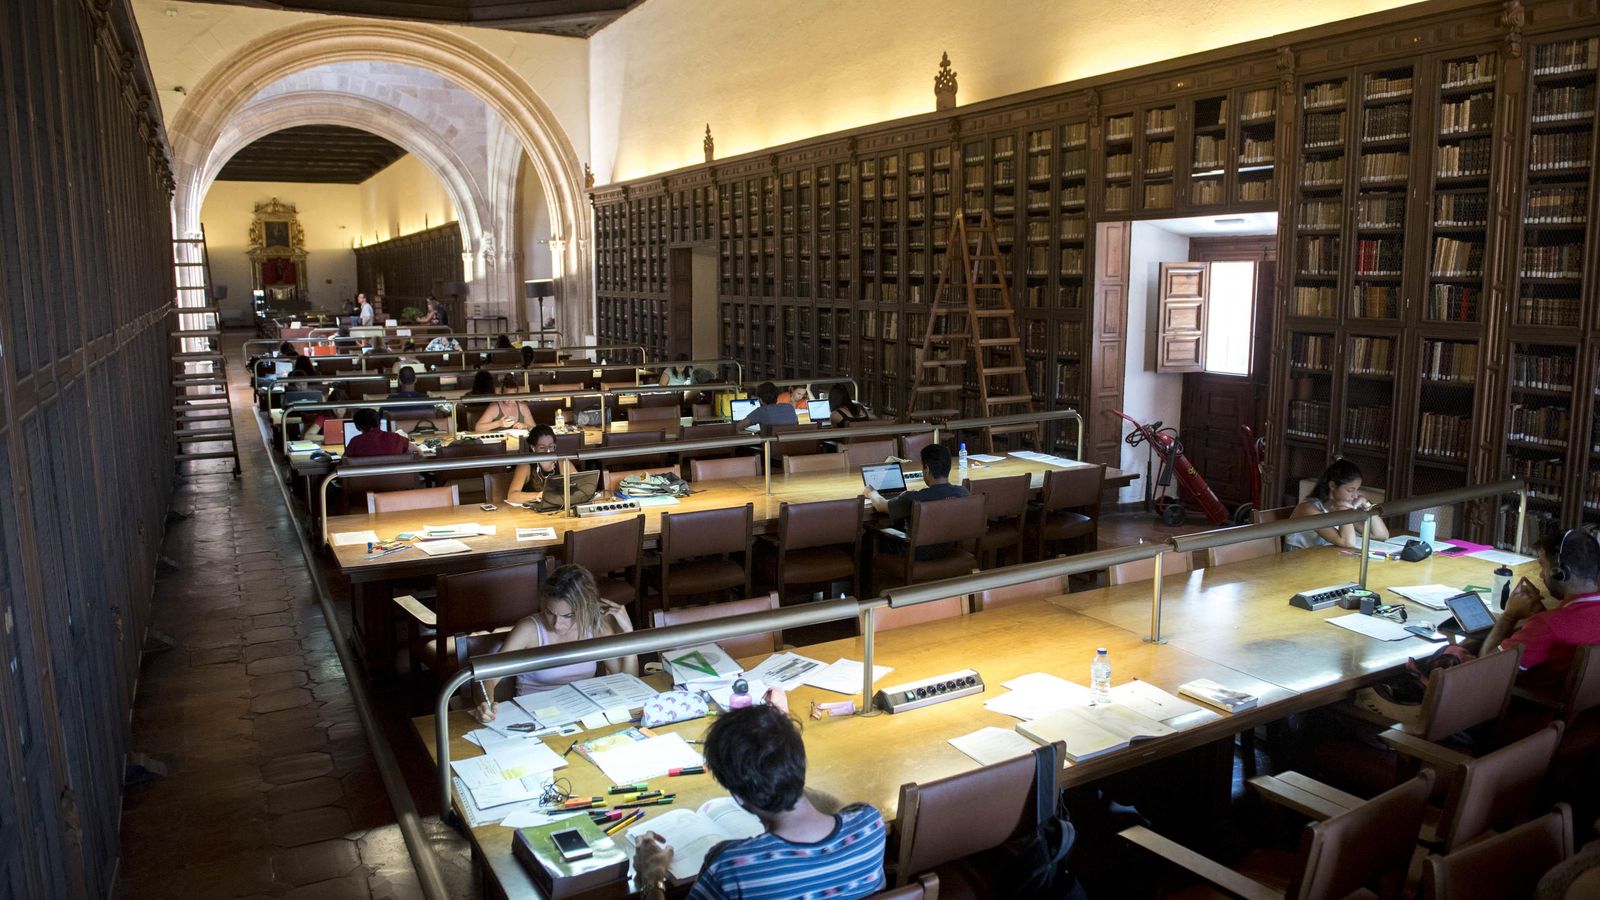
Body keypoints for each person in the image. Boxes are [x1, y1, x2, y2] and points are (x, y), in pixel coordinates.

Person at [632, 703, 887, 900]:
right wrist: (784, 772)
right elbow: (835, 808)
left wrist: (651, 880)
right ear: (800, 758)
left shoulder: (732, 868)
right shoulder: (870, 824)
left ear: (739, 798)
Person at [474, 565, 636, 722]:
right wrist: (485, 704)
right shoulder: (529, 629)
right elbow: (489, 677)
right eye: (550, 613)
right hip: (535, 715)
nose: (557, 624)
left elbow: (627, 682)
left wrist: (628, 633)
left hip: (582, 714)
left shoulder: (596, 628)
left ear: (585, 608)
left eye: (568, 615)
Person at [1483, 527, 1600, 693]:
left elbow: (1486, 669)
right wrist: (1540, 613)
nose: (1540, 576)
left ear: (1560, 573)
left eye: (1542, 566)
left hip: (1531, 711)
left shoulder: (1548, 625)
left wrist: (1509, 616)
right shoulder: (1550, 623)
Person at [1285, 459, 1389, 549]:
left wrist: (1366, 504)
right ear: (1332, 485)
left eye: (1357, 490)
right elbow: (1347, 542)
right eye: (1350, 490)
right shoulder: (1309, 508)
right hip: (1296, 562)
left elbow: (1381, 535)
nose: (1355, 496)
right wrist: (1344, 510)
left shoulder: (1336, 506)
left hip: (1321, 560)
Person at [504, 425, 574, 503]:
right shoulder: (525, 466)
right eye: (542, 447)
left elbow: (581, 485)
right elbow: (512, 496)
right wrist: (538, 495)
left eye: (551, 446)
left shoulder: (562, 462)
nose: (548, 451)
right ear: (533, 448)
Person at [343, 407, 413, 458]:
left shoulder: (355, 442)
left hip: (365, 478)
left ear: (357, 427)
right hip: (396, 478)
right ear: (379, 423)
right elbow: (419, 453)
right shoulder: (396, 438)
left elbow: (343, 464)